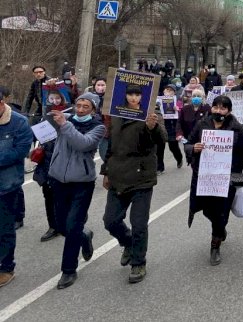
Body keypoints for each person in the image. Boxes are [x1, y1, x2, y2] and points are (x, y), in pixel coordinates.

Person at [101, 86, 167, 284]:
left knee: (139, 223)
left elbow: (162, 139)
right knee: (111, 221)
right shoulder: (117, 114)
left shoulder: (151, 113)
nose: (133, 97)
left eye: (137, 94)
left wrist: (152, 127)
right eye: (130, 94)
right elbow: (111, 145)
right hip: (118, 174)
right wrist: (106, 171)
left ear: (142, 97)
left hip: (141, 176)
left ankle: (138, 262)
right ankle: (127, 242)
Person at [47, 93, 105, 289]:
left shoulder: (98, 127)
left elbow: (83, 143)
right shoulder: (66, 120)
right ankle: (84, 236)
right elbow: (45, 131)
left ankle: (68, 270)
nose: (80, 110)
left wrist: (64, 124)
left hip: (82, 182)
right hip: (59, 180)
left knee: (72, 225)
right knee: (62, 225)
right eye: (78, 105)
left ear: (93, 110)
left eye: (85, 107)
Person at [186, 95, 243, 266]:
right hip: (205, 176)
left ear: (229, 111)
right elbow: (189, 142)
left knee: (221, 211)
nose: (218, 111)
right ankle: (220, 228)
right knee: (208, 210)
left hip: (226, 178)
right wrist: (193, 148)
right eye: (216, 107)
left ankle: (215, 246)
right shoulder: (203, 124)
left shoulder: (236, 127)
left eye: (223, 108)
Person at [0, 86, 34, 288]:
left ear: (2, 103)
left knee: (4, 229)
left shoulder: (19, 122)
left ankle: (6, 267)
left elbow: (21, 150)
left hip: (6, 184)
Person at [179, 88, 211, 166]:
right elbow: (179, 122)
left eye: (198, 96)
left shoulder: (207, 108)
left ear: (203, 97)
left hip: (202, 138)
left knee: (200, 159)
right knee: (190, 154)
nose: (196, 97)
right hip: (188, 137)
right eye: (194, 96)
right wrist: (179, 134)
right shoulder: (185, 109)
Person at [159, 85, 183, 170]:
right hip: (161, 125)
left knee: (173, 146)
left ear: (174, 92)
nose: (168, 92)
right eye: (166, 90)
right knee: (159, 148)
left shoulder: (178, 101)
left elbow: (182, 113)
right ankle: (160, 167)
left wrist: (178, 109)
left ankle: (179, 158)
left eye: (170, 90)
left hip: (172, 126)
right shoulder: (159, 100)